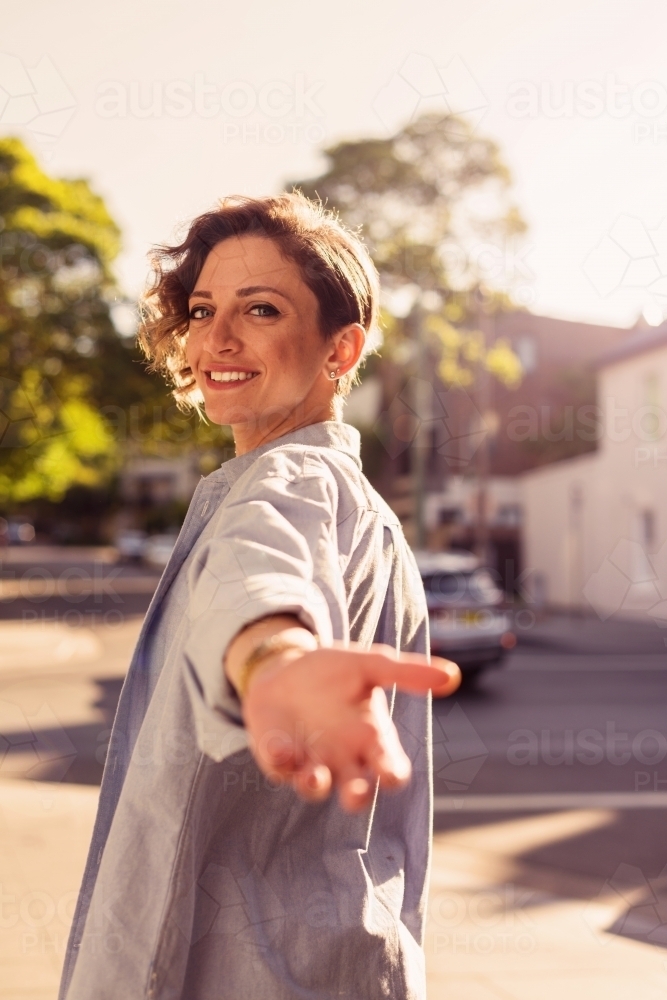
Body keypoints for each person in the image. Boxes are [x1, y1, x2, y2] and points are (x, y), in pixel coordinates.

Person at [59, 192, 460, 1000]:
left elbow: (262, 570)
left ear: (339, 352)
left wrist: (274, 658)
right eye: (202, 309)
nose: (217, 339)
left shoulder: (288, 480)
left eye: (262, 309)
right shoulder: (363, 511)